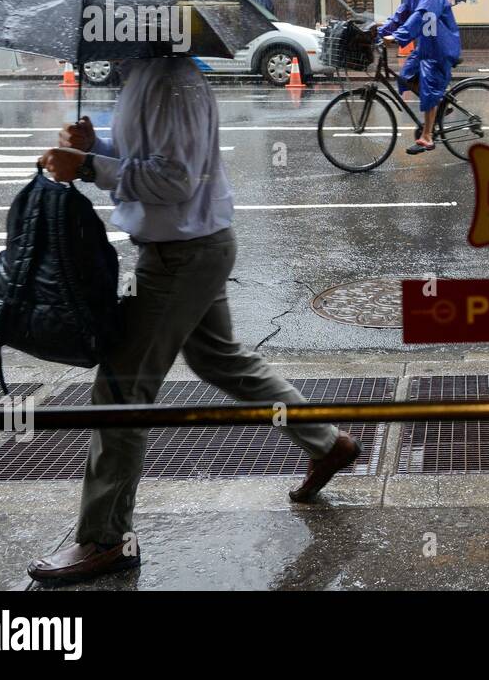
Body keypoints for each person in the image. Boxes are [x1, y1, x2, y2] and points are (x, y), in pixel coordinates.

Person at [28, 56, 359, 584]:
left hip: (181, 256)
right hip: (183, 249)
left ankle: (106, 538)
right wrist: (96, 148)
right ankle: (327, 442)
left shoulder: (173, 82)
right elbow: (148, 159)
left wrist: (88, 168)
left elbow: (174, 178)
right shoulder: (143, 75)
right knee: (217, 357)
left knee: (121, 391)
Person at [380, 0, 462, 154]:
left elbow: (421, 15)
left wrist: (398, 37)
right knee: (405, 76)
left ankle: (427, 137)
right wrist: (380, 32)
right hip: (425, 46)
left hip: (440, 47)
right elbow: (400, 15)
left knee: (428, 88)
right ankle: (440, 101)